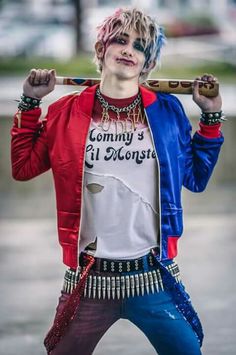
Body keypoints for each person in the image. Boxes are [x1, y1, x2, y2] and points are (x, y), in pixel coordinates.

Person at [11, 7, 225, 355]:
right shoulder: (66, 111)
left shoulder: (168, 111)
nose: (128, 50)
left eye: (140, 46)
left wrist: (211, 116)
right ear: (102, 50)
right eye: (120, 40)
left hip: (153, 276)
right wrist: (30, 103)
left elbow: (196, 178)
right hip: (87, 282)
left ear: (148, 63)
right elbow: (23, 167)